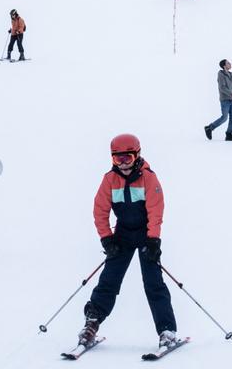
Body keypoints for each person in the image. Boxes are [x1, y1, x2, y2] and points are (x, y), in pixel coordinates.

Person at [77, 134, 179, 352]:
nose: (123, 164)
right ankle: (91, 324)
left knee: (153, 282)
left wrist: (153, 240)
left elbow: (156, 211)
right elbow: (99, 211)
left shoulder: (148, 178)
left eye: (128, 158)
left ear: (137, 155)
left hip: (146, 235)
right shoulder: (109, 180)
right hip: (122, 235)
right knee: (109, 280)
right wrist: (107, 239)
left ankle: (167, 331)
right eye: (118, 159)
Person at [202, 60, 232, 142]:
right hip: (225, 99)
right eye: (228, 63)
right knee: (224, 117)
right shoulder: (221, 74)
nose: (230, 64)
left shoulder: (231, 74)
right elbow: (222, 87)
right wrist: (231, 94)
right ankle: (209, 128)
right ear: (224, 66)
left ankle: (229, 134)